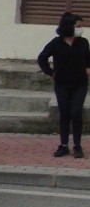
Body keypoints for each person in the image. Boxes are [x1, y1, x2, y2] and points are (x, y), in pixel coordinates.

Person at [37, 12, 90, 159]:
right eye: (78, 26)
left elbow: (88, 59)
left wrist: (88, 68)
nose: (81, 29)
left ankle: (77, 145)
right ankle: (64, 145)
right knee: (64, 113)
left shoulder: (83, 42)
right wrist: (50, 72)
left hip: (80, 84)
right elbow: (42, 58)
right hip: (62, 84)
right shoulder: (56, 43)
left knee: (76, 112)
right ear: (69, 26)